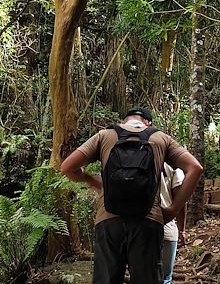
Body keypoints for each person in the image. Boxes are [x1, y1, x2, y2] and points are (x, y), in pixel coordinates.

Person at [60, 107, 203, 284]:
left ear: (124, 121)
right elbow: (195, 168)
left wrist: (93, 181)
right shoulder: (161, 138)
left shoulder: (104, 136)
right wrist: (173, 210)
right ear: (148, 123)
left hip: (109, 219)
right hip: (149, 221)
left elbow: (67, 167)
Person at [160, 163, 185, 284]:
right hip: (167, 228)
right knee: (165, 277)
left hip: (140, 230)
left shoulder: (135, 159)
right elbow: (180, 200)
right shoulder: (172, 165)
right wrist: (181, 230)